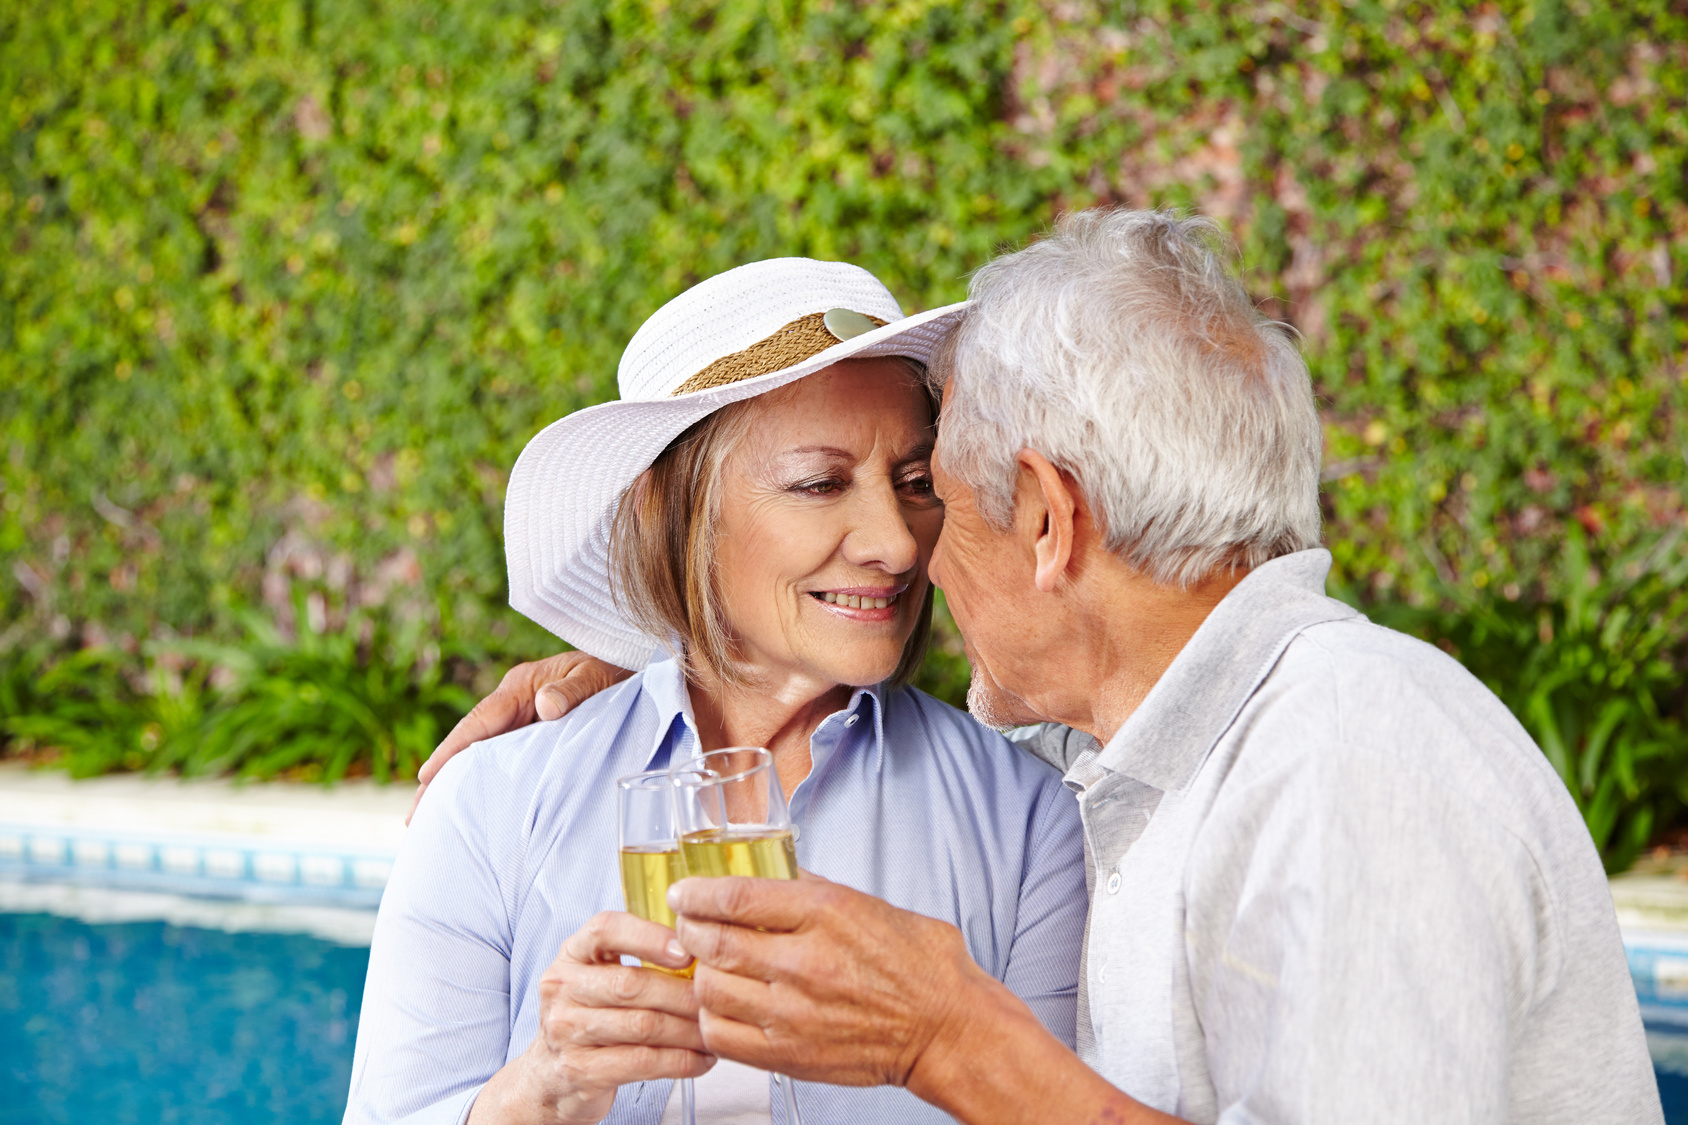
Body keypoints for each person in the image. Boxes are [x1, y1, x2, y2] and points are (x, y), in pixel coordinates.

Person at [427, 210, 1662, 1124]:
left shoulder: (1352, 758)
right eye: (824, 484)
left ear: (1045, 518)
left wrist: (951, 1040)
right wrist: (647, 660)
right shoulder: (1142, 769)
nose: (909, 550)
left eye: (933, 493)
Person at [346, 258, 1088, 1125]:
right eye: (820, 483)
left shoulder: (1027, 820)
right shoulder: (489, 804)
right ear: (674, 506)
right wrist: (541, 1088)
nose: (895, 541)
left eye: (917, 482)